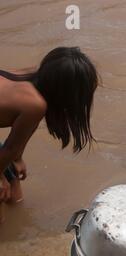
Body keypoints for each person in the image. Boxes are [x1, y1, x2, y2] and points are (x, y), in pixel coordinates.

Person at [0, 47, 98, 208]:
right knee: (2, 195)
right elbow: (10, 148)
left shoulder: (34, 78)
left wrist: (17, 159)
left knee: (13, 185)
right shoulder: (35, 105)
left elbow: (18, 138)